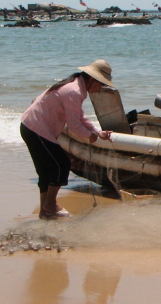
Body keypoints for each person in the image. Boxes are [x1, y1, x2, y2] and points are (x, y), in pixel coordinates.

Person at [20, 59, 114, 219]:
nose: (101, 89)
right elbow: (74, 126)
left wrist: (97, 133)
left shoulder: (76, 87)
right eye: (102, 84)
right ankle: (50, 205)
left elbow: (80, 117)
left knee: (46, 172)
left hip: (30, 126)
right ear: (93, 79)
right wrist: (90, 136)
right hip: (36, 129)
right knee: (62, 164)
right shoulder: (74, 91)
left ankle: (45, 211)